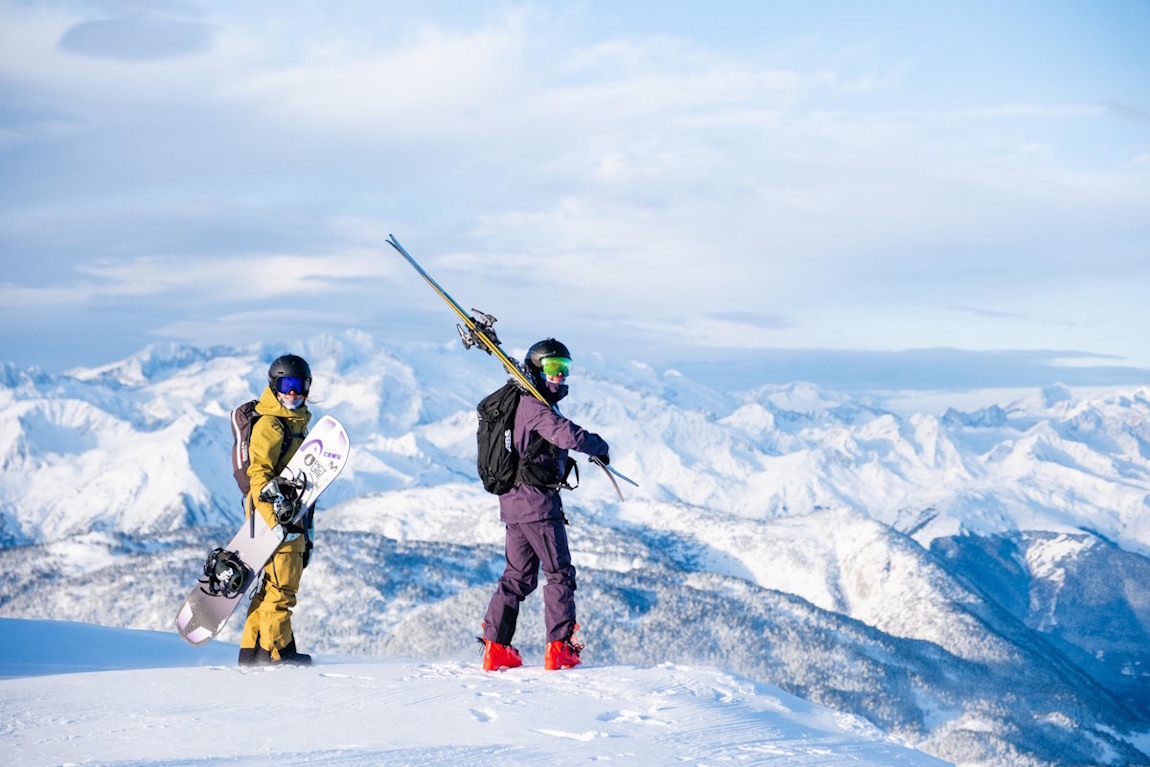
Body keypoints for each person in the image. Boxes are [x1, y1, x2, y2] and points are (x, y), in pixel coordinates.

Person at [481, 339, 610, 671]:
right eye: (553, 368)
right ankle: (560, 647)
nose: (561, 377)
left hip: (513, 503)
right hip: (537, 504)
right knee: (560, 575)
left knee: (518, 577)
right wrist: (599, 445)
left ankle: (496, 647)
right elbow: (566, 435)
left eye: (565, 369)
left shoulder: (525, 403)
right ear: (537, 369)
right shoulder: (534, 406)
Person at [237, 354, 315, 666]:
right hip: (278, 522)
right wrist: (275, 525)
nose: (293, 392)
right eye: (286, 385)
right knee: (282, 589)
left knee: (269, 587)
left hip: (287, 520)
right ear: (274, 385)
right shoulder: (271, 424)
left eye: (299, 385)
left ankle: (252, 652)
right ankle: (276, 653)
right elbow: (259, 475)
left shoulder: (293, 423)